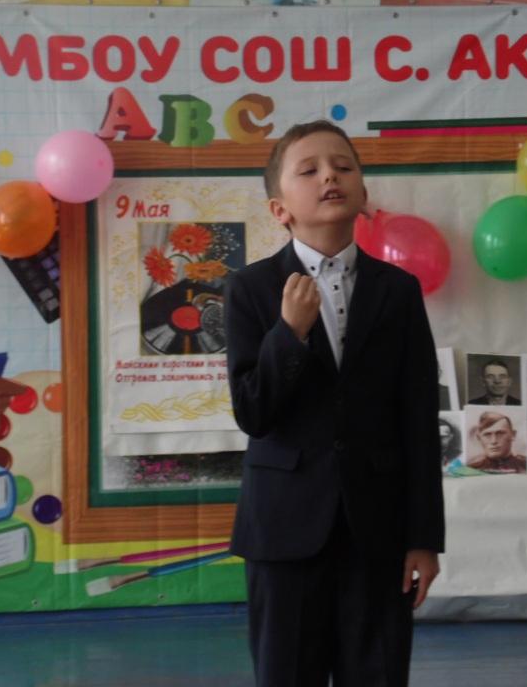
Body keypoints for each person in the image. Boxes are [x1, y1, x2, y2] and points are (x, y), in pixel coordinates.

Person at [224, 120, 444, 687]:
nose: (330, 177)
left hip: (379, 528)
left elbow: (418, 419)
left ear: (362, 191)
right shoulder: (250, 288)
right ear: (279, 210)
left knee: (378, 673)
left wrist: (423, 538)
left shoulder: (397, 290)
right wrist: (288, 334)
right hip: (283, 528)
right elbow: (252, 412)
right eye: (310, 170)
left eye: (343, 166)